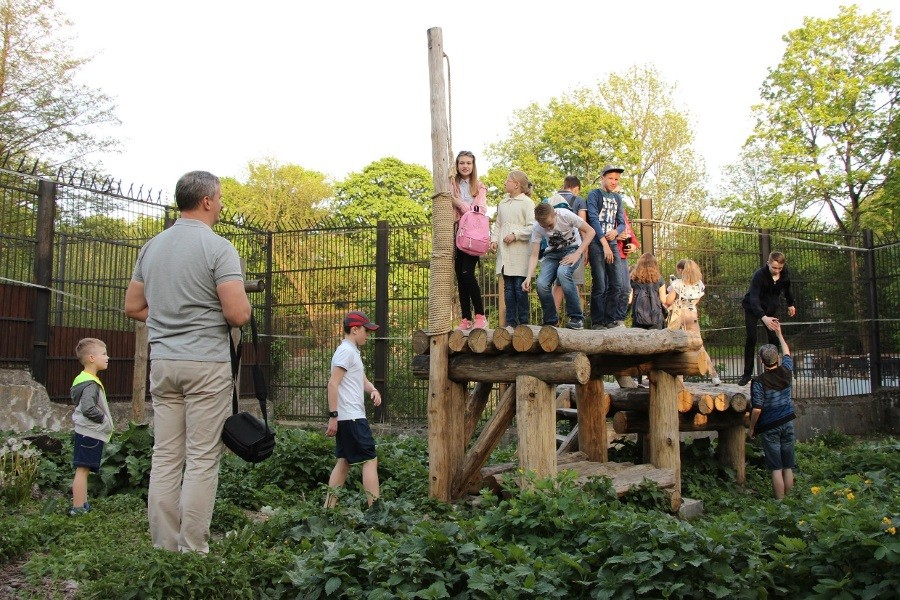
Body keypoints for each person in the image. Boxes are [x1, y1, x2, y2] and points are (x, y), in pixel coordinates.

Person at [124, 170, 251, 553]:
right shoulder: (218, 248)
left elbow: (133, 307)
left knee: (165, 456)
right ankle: (193, 551)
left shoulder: (151, 247)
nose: (223, 203)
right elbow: (238, 314)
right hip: (205, 365)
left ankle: (164, 547)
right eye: (221, 197)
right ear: (208, 201)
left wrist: (168, 318)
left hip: (163, 363)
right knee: (200, 459)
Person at [325, 310, 382, 507]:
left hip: (349, 417)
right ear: (355, 329)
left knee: (344, 461)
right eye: (366, 330)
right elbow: (333, 384)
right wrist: (333, 416)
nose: (368, 334)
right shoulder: (346, 351)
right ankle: (375, 509)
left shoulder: (352, 351)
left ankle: (328, 508)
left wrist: (373, 390)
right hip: (352, 417)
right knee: (370, 460)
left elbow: (362, 380)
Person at [523, 201, 595, 330]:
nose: (548, 229)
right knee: (541, 284)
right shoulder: (537, 227)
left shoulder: (566, 215)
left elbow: (591, 232)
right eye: (544, 226)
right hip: (552, 254)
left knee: (563, 273)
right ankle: (551, 320)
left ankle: (576, 318)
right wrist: (528, 277)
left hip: (572, 250)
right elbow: (534, 254)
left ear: (554, 214)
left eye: (550, 225)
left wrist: (578, 253)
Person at [749, 321, 796, 500]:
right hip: (788, 421)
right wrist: (779, 335)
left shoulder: (759, 382)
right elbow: (788, 353)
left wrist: (752, 427)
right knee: (788, 465)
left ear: (761, 361)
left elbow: (757, 409)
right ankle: (790, 501)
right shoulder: (786, 371)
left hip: (769, 426)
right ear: (777, 359)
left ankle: (780, 502)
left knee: (776, 467)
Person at [69, 338, 113, 516]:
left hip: (86, 432)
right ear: (92, 358)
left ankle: (83, 504)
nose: (107, 357)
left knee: (83, 469)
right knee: (82, 469)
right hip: (90, 433)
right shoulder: (90, 383)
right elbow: (88, 408)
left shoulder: (84, 379)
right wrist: (103, 419)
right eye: (104, 354)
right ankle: (78, 508)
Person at [738, 252, 796, 386]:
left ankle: (773, 372)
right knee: (751, 338)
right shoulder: (759, 275)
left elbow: (787, 289)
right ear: (768, 263)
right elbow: (754, 298)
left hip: (771, 308)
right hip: (753, 308)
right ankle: (747, 374)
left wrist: (791, 304)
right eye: (774, 268)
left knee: (773, 338)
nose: (777, 271)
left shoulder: (785, 274)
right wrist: (763, 317)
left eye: (779, 268)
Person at [665, 259, 722, 385]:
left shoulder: (677, 283)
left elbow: (668, 301)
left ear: (681, 270)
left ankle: (679, 379)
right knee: (699, 346)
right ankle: (714, 375)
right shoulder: (699, 284)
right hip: (692, 315)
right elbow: (696, 301)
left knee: (677, 347)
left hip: (679, 316)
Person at [490, 170, 535, 327]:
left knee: (519, 288)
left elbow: (531, 227)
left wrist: (515, 235)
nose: (504, 183)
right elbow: (498, 224)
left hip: (521, 253)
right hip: (505, 254)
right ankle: (510, 323)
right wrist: (494, 240)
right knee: (508, 290)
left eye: (507, 180)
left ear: (516, 184)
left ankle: (524, 324)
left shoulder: (528, 203)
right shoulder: (502, 203)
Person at [586, 165, 628, 329]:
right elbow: (593, 219)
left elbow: (622, 223)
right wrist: (604, 243)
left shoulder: (617, 198)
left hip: (611, 242)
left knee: (617, 284)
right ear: (602, 178)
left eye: (616, 179)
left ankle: (610, 319)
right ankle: (597, 321)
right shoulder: (594, 195)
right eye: (610, 178)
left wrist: (616, 231)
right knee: (600, 284)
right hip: (598, 243)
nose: (613, 181)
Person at [451, 150, 488, 331]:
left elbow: (480, 208)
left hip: (472, 235)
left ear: (473, 166)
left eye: (468, 163)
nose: (465, 166)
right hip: (457, 232)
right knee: (460, 276)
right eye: (462, 163)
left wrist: (460, 204)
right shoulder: (452, 185)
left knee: (467, 273)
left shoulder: (479, 186)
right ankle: (465, 318)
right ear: (457, 166)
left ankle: (480, 315)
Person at [544, 176, 587, 318]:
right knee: (572, 281)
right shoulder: (578, 200)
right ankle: (576, 316)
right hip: (574, 246)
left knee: (558, 284)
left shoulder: (550, 200)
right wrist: (585, 251)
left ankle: (552, 318)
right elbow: (583, 225)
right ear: (576, 189)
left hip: (555, 249)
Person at [629, 253, 666, 330]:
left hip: (638, 317)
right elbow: (663, 300)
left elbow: (629, 300)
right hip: (656, 317)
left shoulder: (633, 279)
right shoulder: (659, 279)